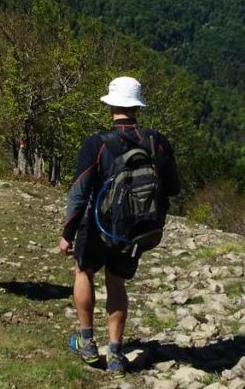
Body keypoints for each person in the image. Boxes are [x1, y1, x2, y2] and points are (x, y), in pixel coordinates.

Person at [59, 76, 180, 372]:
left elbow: (79, 192)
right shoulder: (157, 142)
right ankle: (115, 353)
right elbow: (174, 187)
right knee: (116, 282)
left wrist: (67, 233)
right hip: (135, 231)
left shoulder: (97, 144)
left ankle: (87, 342)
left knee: (83, 271)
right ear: (137, 106)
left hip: (98, 226)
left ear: (111, 105)